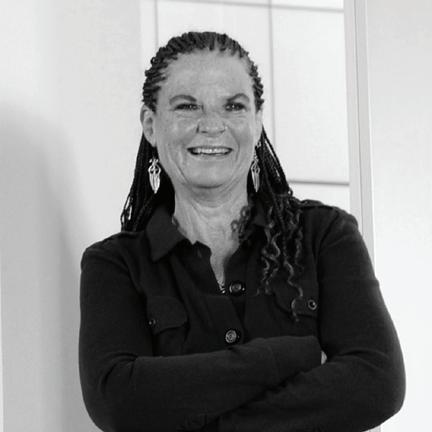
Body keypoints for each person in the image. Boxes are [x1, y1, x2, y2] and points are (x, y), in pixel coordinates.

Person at [78, 31, 405, 432]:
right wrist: (291, 356)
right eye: (187, 106)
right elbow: (118, 402)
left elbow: (377, 383)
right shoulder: (115, 265)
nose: (212, 125)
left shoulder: (325, 235)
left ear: (256, 121)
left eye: (233, 106)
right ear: (150, 124)